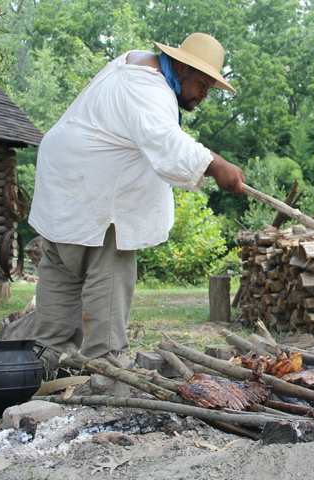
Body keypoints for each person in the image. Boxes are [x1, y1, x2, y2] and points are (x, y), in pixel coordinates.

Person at [28, 33, 245, 379]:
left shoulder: (131, 62)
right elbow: (167, 141)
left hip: (62, 192)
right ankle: (105, 369)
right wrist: (217, 166)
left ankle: (43, 368)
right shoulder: (150, 87)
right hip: (95, 201)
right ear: (182, 66)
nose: (204, 94)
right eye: (203, 84)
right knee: (109, 274)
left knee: (59, 282)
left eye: (210, 88)